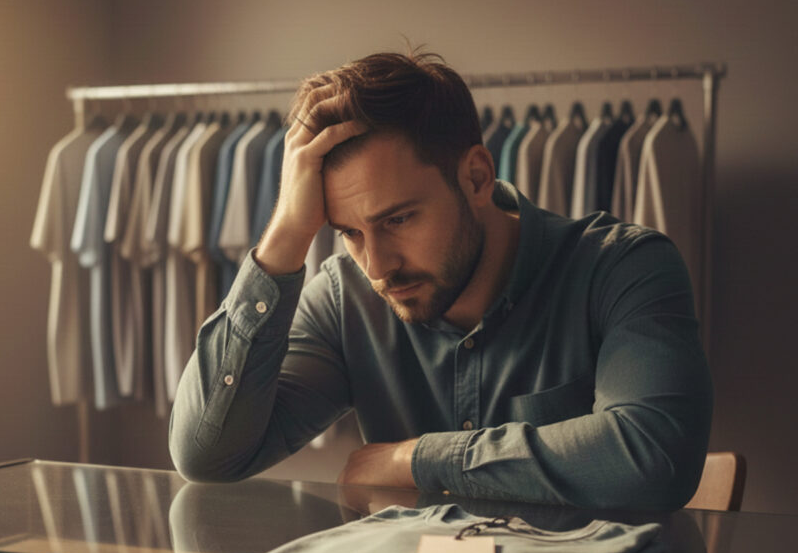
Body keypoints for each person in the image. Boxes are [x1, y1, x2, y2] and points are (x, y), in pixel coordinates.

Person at [168, 50, 713, 509]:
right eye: (350, 234)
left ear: (476, 176)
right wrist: (286, 233)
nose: (378, 266)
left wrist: (417, 458)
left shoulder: (623, 268)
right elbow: (206, 457)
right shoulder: (344, 299)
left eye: (398, 220)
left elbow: (653, 456)